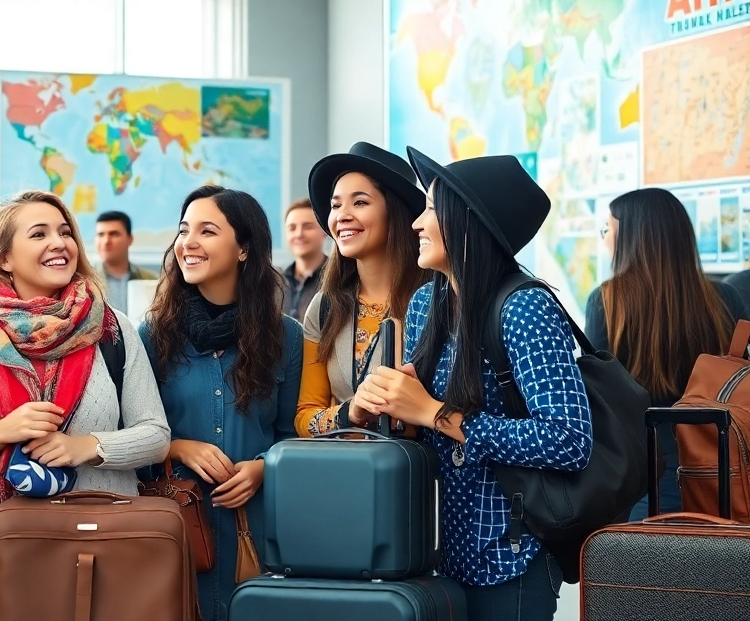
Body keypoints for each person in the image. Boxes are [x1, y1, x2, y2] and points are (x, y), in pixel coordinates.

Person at [354, 149, 592, 621]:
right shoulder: (427, 301)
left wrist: (437, 414)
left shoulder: (524, 307)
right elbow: (417, 424)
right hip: (433, 551)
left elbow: (569, 439)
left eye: (430, 210)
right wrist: (382, 409)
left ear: (469, 222)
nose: (417, 224)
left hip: (510, 551)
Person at [0, 190, 170, 621]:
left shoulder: (113, 331)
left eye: (65, 232)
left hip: (107, 547)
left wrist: (87, 447)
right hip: (4, 554)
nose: (59, 243)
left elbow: (156, 436)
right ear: (4, 257)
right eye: (39, 233)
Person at [141, 185, 303, 621]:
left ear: (244, 248)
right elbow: (132, 433)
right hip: (174, 526)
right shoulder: (152, 334)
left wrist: (264, 467)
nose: (188, 243)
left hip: (256, 528)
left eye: (206, 231)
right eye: (183, 230)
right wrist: (176, 446)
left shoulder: (285, 336)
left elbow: (292, 434)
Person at [585, 188, 748, 518]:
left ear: (631, 235)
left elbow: (597, 399)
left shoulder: (607, 302)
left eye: (607, 229)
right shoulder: (724, 298)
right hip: (717, 474)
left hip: (638, 481)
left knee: (647, 569)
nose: (604, 240)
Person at [295, 143, 428, 437]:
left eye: (360, 202)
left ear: (396, 213)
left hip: (416, 474)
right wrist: (350, 412)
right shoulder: (325, 307)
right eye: (335, 205)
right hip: (346, 475)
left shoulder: (434, 302)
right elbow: (305, 417)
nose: (341, 215)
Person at [95, 210, 158, 314]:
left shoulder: (152, 281)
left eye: (114, 234)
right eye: (101, 235)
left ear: (130, 239)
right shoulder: (86, 281)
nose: (106, 241)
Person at [279, 199, 328, 321]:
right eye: (292, 228)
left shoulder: (340, 279)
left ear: (325, 231)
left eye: (308, 227)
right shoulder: (275, 283)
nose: (299, 234)